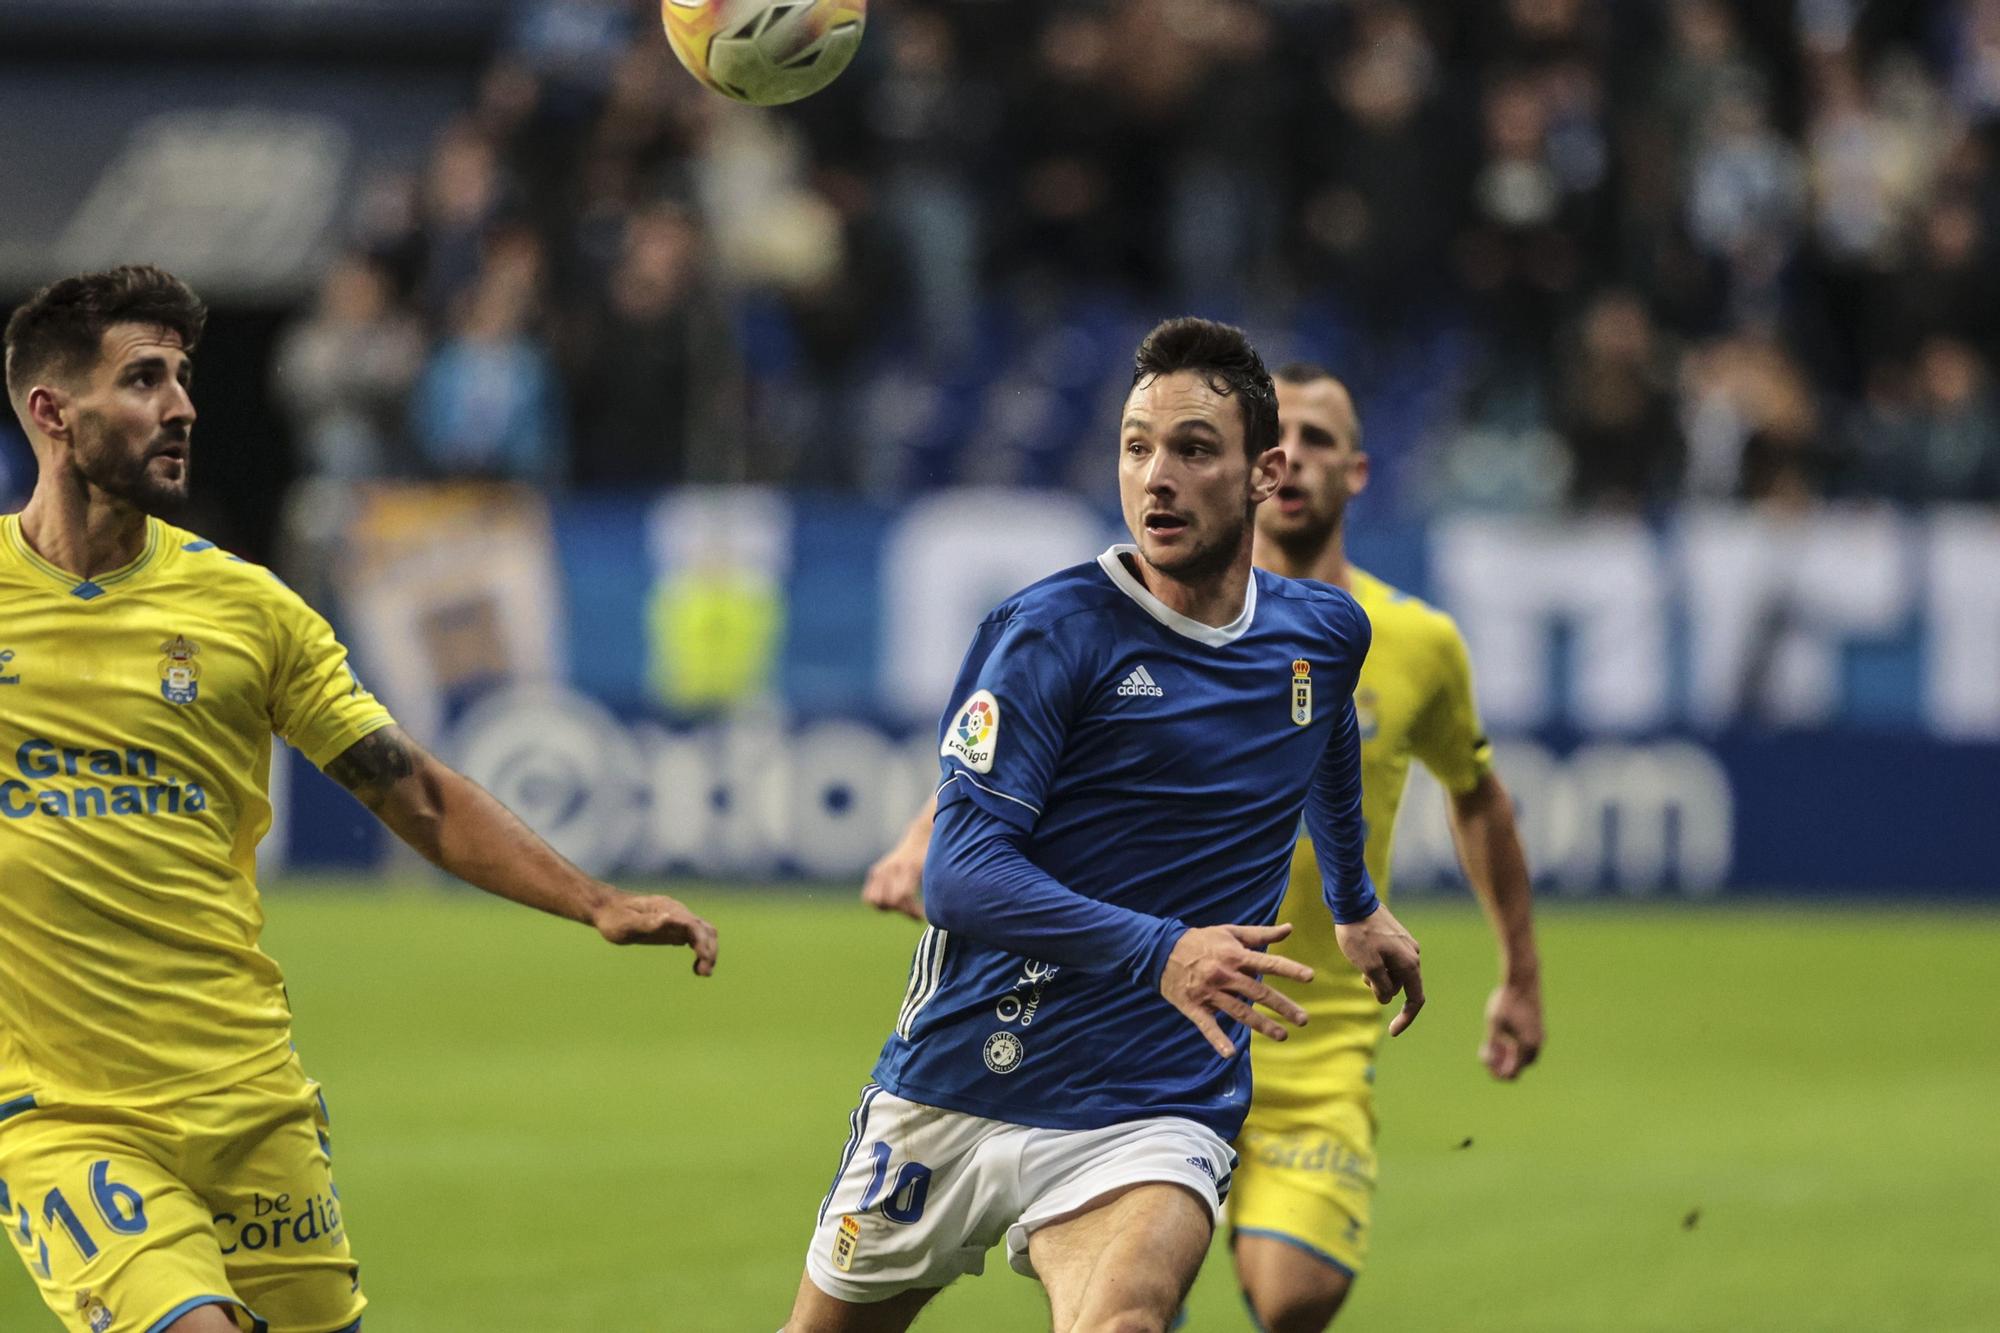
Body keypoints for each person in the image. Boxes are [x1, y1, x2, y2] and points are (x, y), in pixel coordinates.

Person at [0, 265, 718, 1333]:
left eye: (184, 377)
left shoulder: (249, 610)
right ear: (52, 413)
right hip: (65, 1112)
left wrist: (594, 900)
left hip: (247, 1090)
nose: (183, 404)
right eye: (144, 379)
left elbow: (414, 792)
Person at [863, 363, 1544, 1333]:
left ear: (1343, 471)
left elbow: (1359, 740)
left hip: (1292, 1021)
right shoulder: (1074, 625)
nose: (1297, 460)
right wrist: (921, 834)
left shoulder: (1371, 636)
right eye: (1141, 447)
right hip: (1109, 1017)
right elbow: (1000, 786)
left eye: (1320, 441)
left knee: (1284, 1292)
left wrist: (1363, 905)